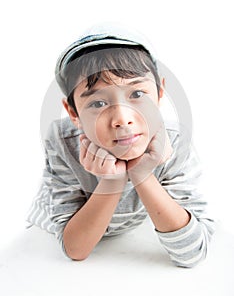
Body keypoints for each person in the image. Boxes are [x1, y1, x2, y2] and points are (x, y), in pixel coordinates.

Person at [27, 23, 215, 268]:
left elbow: (192, 253)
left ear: (159, 94)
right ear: (73, 113)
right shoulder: (63, 142)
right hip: (50, 229)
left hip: (133, 227)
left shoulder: (174, 142)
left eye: (137, 94)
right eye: (97, 103)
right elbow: (75, 250)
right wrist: (112, 181)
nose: (121, 119)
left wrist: (141, 173)